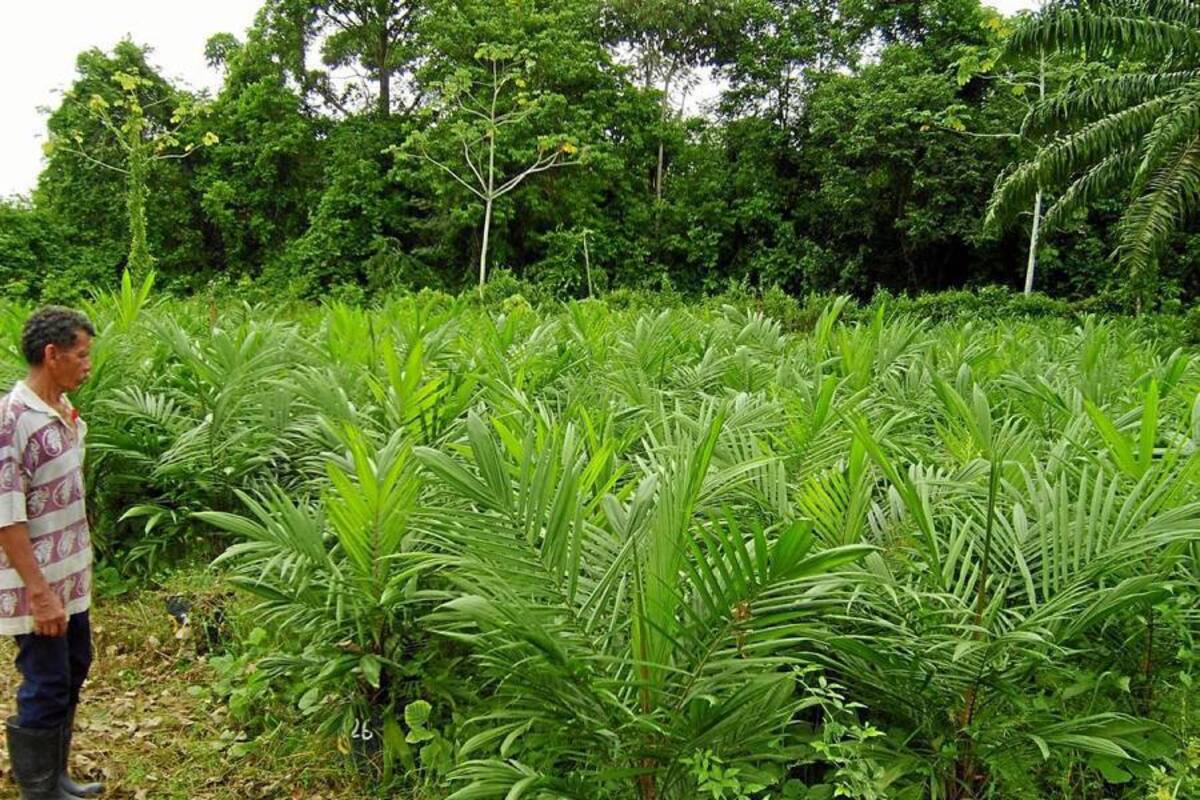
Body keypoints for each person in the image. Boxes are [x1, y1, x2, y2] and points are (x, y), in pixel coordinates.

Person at [0, 307, 103, 799]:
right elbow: (6, 515)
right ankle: (38, 792)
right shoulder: (12, 420)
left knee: (74, 666)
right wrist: (39, 594)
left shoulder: (60, 409)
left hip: (70, 580)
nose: (88, 364)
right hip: (37, 585)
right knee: (45, 683)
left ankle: (56, 777)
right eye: (81, 355)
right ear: (51, 354)